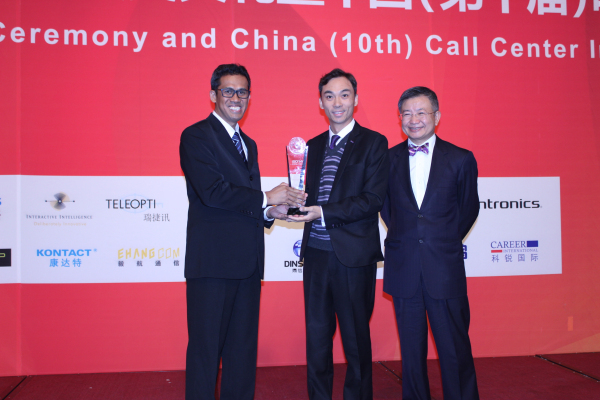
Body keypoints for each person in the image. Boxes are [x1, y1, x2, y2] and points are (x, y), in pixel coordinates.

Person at [179, 63, 305, 400]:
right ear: (213, 95)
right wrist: (265, 197)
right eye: (228, 91)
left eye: (243, 92)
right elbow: (212, 192)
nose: (236, 98)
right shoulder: (196, 136)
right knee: (206, 353)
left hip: (248, 265)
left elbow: (243, 203)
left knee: (242, 354)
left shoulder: (248, 143)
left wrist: (269, 212)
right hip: (213, 265)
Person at [288, 68, 389, 400]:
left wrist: (322, 212)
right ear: (321, 103)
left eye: (344, 95)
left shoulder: (374, 143)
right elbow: (306, 194)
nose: (337, 102)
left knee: (355, 340)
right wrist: (290, 202)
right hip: (317, 256)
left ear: (355, 100)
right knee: (317, 339)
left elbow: (372, 200)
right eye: (329, 96)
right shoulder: (311, 146)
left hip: (353, 258)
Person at [381, 86, 480, 400]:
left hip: (444, 268)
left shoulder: (461, 159)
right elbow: (386, 209)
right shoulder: (387, 159)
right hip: (404, 267)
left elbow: (468, 209)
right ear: (400, 118)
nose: (414, 120)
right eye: (407, 113)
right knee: (411, 354)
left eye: (421, 112)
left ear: (437, 116)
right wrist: (409, 238)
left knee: (454, 350)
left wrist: (441, 240)